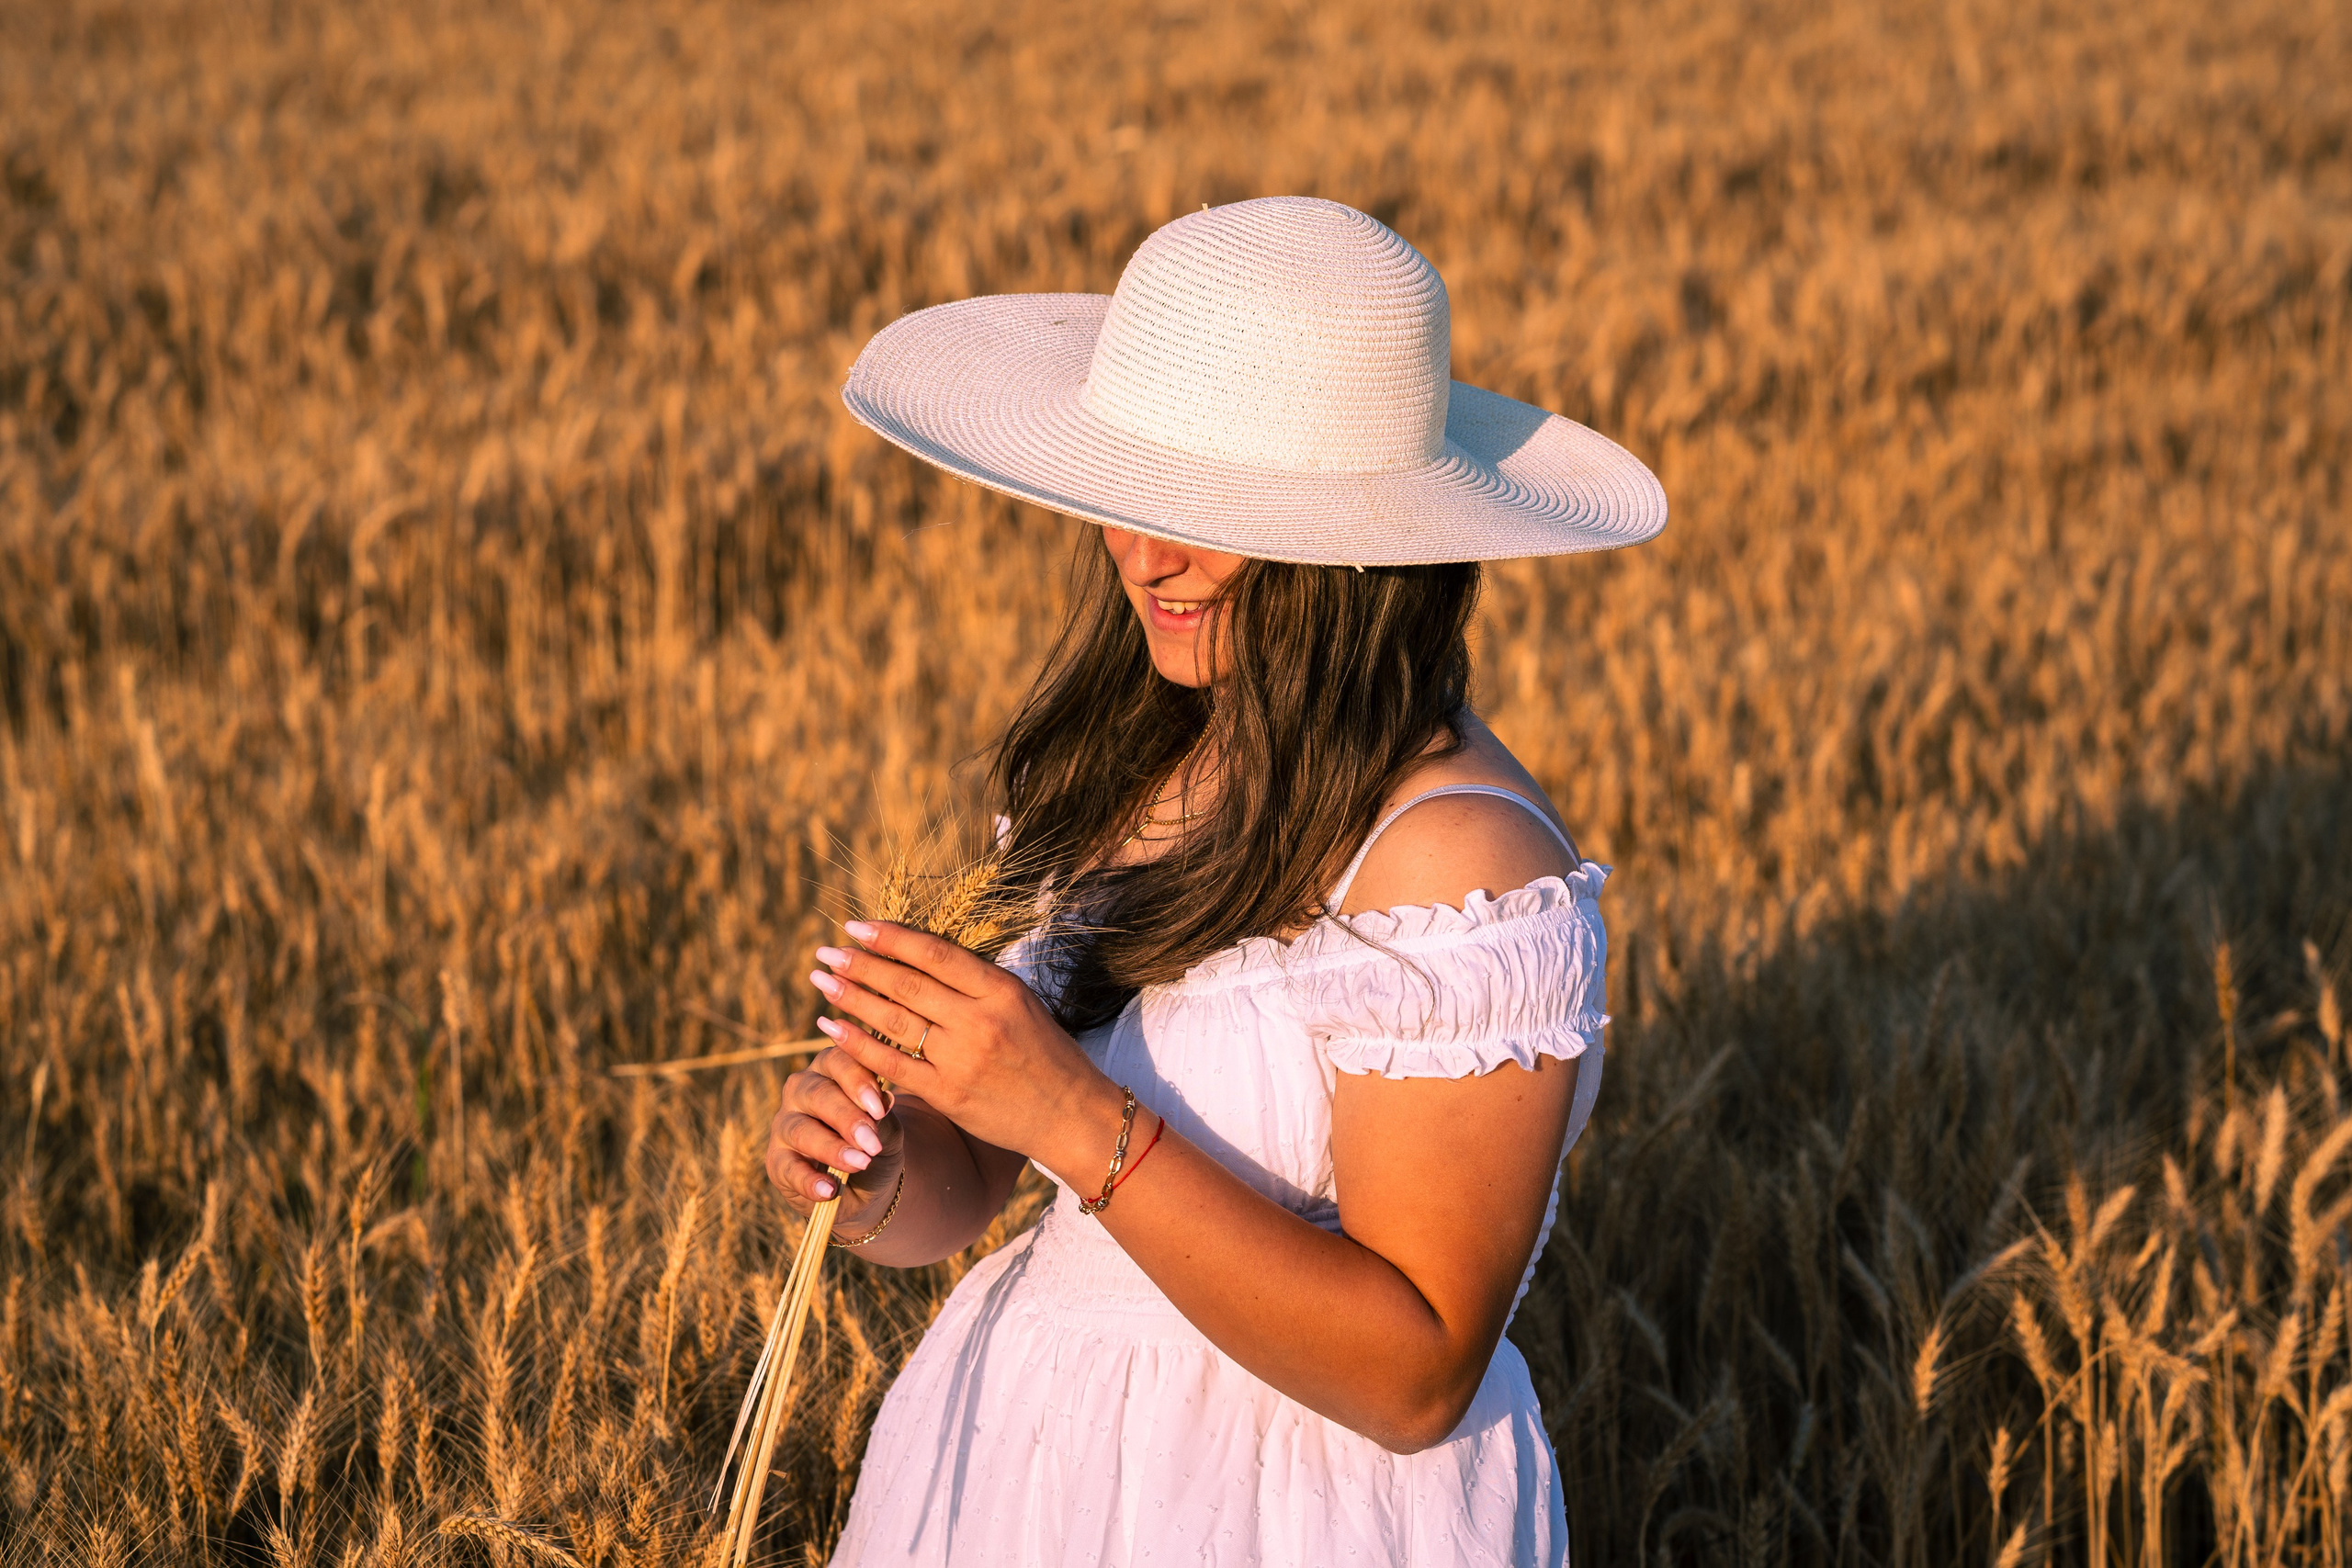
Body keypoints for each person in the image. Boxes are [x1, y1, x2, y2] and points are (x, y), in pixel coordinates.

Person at [765, 196, 1666, 1566]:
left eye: (1209, 511)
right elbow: (982, 1192)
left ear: (1360, 546)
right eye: (1128, 493)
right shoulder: (1131, 762)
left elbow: (1415, 1375)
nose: (1145, 554)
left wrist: (1069, 1112)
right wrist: (878, 1167)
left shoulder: (1458, 865)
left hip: (1291, 1513)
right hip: (1017, 1472)